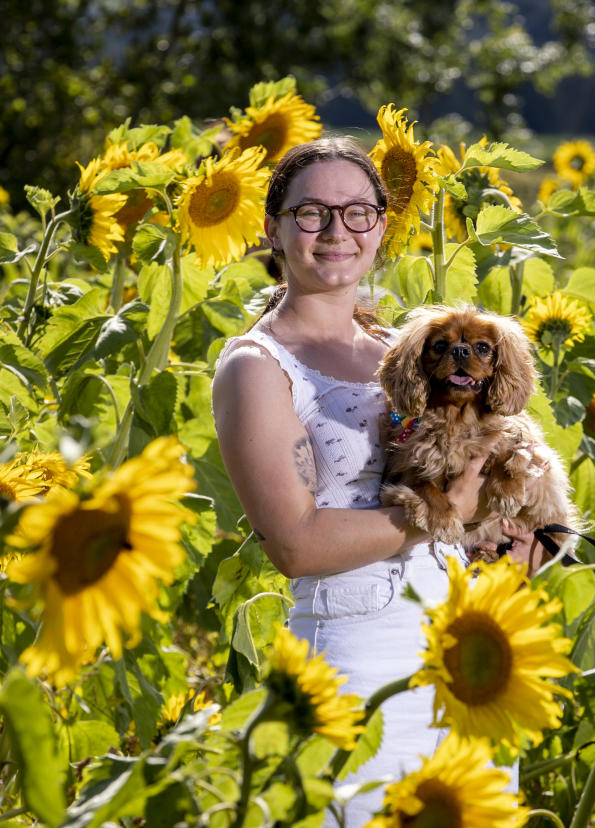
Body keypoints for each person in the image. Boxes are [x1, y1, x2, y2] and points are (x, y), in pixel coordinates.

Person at [211, 136, 543, 827]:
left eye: (358, 212)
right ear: (272, 228)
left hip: (466, 648)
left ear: (381, 228)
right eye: (311, 214)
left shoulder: (418, 353)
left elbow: (492, 478)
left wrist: (511, 543)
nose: (337, 231)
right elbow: (295, 546)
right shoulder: (255, 366)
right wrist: (444, 509)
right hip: (356, 658)